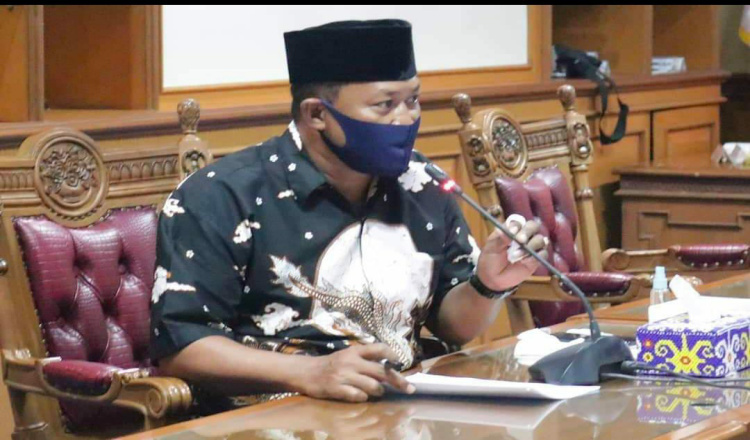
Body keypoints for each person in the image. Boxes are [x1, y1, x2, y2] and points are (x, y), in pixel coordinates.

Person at [150, 19, 548, 406]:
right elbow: (182, 345)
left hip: (403, 405)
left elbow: (453, 326)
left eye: (412, 100)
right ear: (316, 115)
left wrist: (487, 285)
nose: (405, 119)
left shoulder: (420, 182)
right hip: (272, 413)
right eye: (384, 105)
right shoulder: (223, 195)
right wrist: (310, 372)